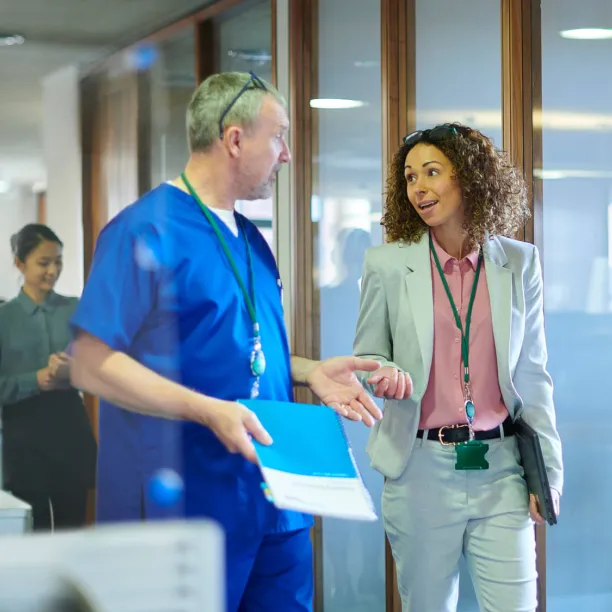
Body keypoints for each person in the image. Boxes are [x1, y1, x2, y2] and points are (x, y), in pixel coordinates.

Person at [68, 71, 383, 612]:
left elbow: (239, 347)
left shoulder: (252, 239)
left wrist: (306, 372)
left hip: (275, 501)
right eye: (278, 135)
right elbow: (92, 364)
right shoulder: (143, 231)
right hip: (187, 510)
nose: (286, 155)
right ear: (235, 139)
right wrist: (208, 410)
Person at [353, 124, 563, 611]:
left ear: (469, 178)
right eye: (409, 178)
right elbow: (368, 356)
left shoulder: (519, 262)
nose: (418, 188)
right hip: (420, 468)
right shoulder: (387, 264)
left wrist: (548, 474)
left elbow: (533, 374)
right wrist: (381, 372)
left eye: (432, 173)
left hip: (502, 468)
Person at [0, 224, 96, 531]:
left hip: (70, 432)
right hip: (25, 440)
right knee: (34, 532)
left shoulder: (75, 309)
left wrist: (73, 372)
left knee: (75, 529)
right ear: (20, 263)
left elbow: (100, 370)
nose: (53, 270)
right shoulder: (5, 319)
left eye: (58, 261)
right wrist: (36, 379)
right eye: (44, 262)